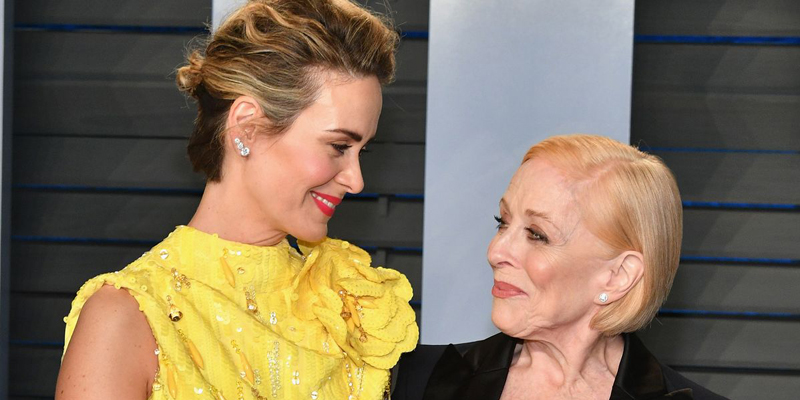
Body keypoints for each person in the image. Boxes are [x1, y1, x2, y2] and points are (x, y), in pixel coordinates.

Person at [55, 1, 418, 399]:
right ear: (247, 125)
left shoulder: (346, 302)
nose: (356, 180)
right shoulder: (127, 317)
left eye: (360, 151)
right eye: (338, 146)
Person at [393, 134, 727, 400]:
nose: (496, 251)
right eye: (502, 222)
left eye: (537, 235)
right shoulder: (418, 379)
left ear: (618, 276)